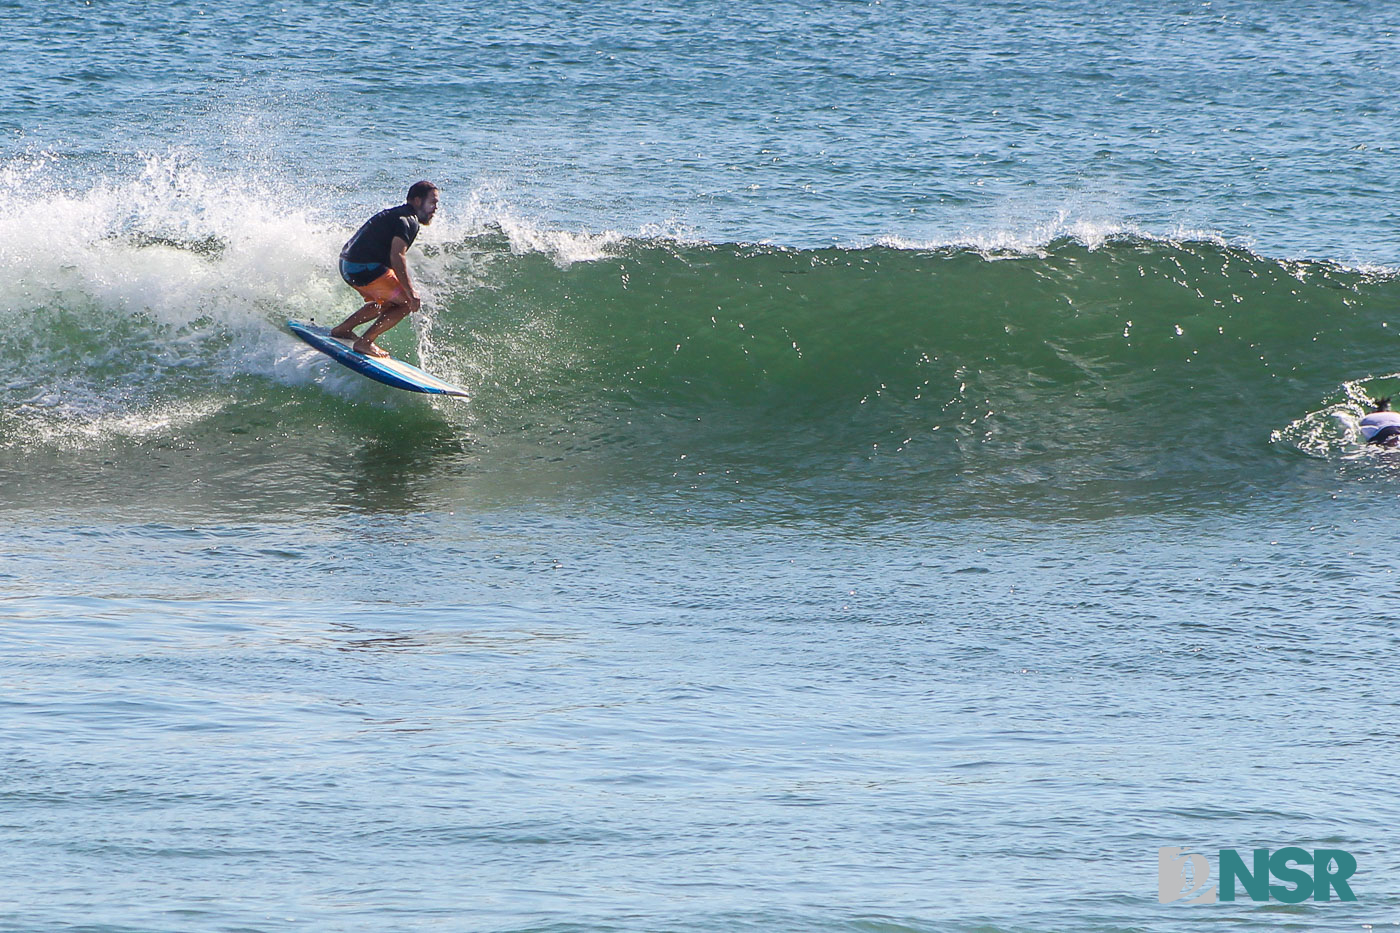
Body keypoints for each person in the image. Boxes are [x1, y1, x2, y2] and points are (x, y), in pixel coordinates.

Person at [331, 181, 439, 358]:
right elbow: (397, 256)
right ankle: (365, 342)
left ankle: (343, 329)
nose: (435, 208)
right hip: (363, 268)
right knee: (405, 303)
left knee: (387, 301)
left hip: (346, 265)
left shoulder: (396, 214)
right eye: (432, 202)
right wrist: (410, 293)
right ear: (418, 201)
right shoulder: (409, 222)